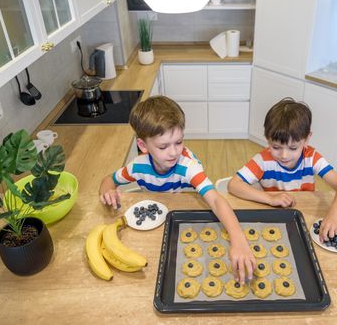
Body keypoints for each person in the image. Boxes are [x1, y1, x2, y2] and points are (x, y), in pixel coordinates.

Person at [99, 95, 256, 283]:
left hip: (183, 219)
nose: (174, 152)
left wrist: (239, 239)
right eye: (163, 146)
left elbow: (215, 199)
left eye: (179, 142)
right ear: (143, 145)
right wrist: (108, 192)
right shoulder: (136, 167)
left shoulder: (188, 166)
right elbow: (108, 180)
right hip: (153, 225)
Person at [228, 97, 337, 243]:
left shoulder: (311, 158)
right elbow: (233, 185)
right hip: (276, 216)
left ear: (306, 139)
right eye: (276, 147)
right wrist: (270, 198)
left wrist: (335, 213)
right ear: (267, 139)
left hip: (306, 214)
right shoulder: (263, 161)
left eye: (293, 148)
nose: (284, 155)